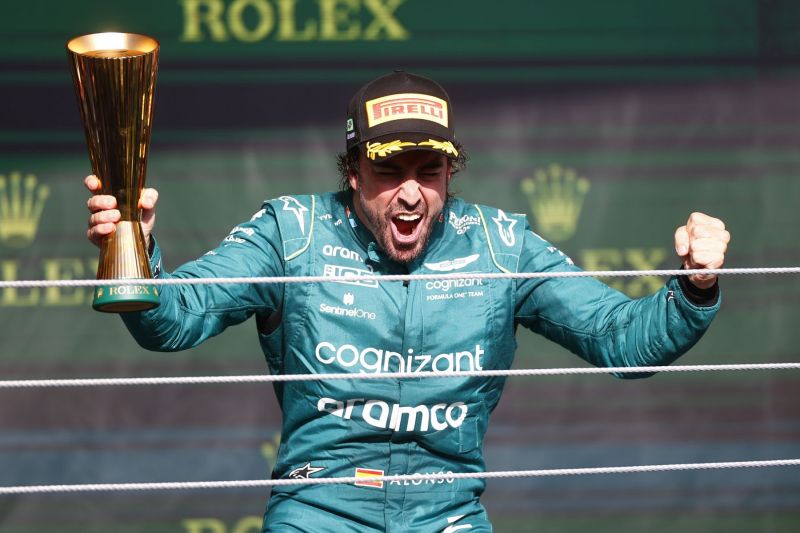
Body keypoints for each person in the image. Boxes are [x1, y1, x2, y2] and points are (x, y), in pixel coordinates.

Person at [85, 71, 730, 532]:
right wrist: (134, 255)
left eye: (429, 171)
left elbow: (623, 340)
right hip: (319, 512)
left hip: (448, 513)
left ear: (452, 171)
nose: (412, 194)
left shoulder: (503, 244)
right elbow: (173, 322)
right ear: (352, 171)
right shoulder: (291, 232)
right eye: (390, 172)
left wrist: (694, 287)